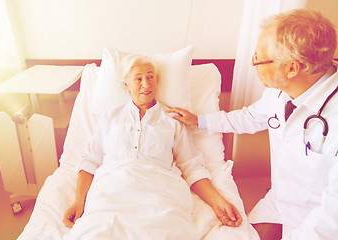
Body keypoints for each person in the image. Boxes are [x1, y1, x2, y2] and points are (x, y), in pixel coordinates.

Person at [167, 9, 338, 240]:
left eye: (259, 57)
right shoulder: (282, 92)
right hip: (279, 202)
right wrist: (200, 120)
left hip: (320, 220)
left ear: (292, 68)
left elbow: (331, 215)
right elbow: (249, 117)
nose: (253, 63)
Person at [63, 54, 243, 238]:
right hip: (111, 192)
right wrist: (79, 201)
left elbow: (191, 167)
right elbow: (90, 161)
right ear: (126, 85)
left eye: (151, 77)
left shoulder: (173, 120)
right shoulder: (110, 118)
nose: (146, 84)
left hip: (160, 194)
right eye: (138, 79)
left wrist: (218, 202)